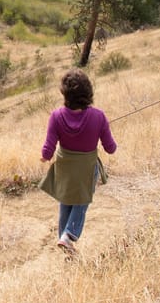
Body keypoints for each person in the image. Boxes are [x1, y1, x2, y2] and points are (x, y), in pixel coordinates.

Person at [39, 69, 117, 256]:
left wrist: (44, 156)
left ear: (65, 93)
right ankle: (69, 236)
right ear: (88, 91)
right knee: (81, 202)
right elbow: (110, 148)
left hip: (64, 167)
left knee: (66, 202)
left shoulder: (56, 116)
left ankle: (64, 243)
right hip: (86, 168)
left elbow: (48, 147)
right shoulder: (98, 116)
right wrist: (102, 129)